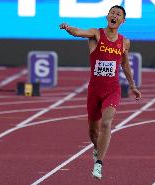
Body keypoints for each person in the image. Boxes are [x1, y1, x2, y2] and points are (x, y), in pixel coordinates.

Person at [59, 5, 141, 180]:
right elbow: (78, 32)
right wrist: (68, 28)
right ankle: (96, 148)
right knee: (92, 132)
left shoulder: (124, 42)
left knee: (106, 123)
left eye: (118, 14)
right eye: (112, 13)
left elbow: (125, 64)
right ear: (107, 16)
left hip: (112, 89)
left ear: (123, 21)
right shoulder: (96, 34)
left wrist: (133, 85)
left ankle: (99, 163)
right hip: (94, 90)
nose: (115, 16)